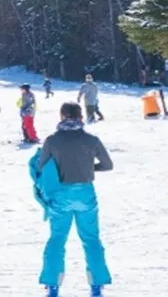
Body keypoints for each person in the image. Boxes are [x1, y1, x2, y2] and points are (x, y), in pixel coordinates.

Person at [29, 102, 113, 297]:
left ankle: (52, 286)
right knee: (91, 238)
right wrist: (89, 169)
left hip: (61, 194)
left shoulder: (52, 141)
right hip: (85, 192)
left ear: (63, 116)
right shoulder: (91, 140)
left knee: (57, 239)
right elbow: (108, 165)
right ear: (80, 116)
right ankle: (97, 285)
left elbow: (41, 167)